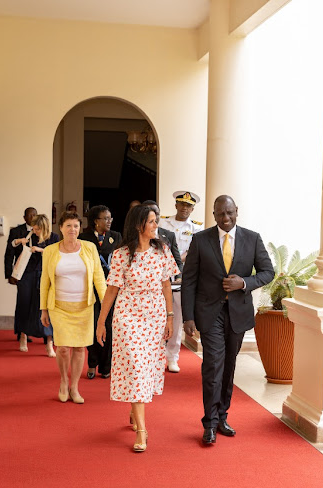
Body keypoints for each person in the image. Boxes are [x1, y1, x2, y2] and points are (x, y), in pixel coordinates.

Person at [181, 195, 274, 445]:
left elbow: (268, 272)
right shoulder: (200, 240)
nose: (226, 218)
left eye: (230, 213)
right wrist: (188, 317)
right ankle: (209, 423)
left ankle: (222, 417)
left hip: (238, 314)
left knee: (229, 366)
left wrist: (243, 283)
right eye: (220, 214)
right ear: (213, 215)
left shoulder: (252, 238)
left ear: (237, 211)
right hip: (209, 314)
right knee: (212, 364)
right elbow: (189, 280)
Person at [96, 205, 179, 452]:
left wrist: (170, 318)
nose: (156, 226)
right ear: (138, 225)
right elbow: (111, 290)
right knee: (133, 365)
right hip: (127, 315)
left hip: (154, 315)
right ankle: (142, 430)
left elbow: (167, 286)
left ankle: (135, 409)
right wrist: (101, 322)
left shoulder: (162, 251)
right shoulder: (121, 254)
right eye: (152, 222)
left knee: (146, 368)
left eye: (156, 221)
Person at [40, 212, 107, 404]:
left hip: (84, 307)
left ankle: (75, 387)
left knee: (79, 348)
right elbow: (45, 281)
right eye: (68, 226)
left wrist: (105, 303)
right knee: (62, 348)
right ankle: (63, 381)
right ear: (60, 228)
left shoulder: (89, 248)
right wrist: (43, 309)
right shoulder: (51, 251)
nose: (72, 230)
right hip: (59, 306)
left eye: (76, 226)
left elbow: (98, 277)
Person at [159, 191, 204, 373]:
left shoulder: (197, 228)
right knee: (158, 316)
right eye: (181, 204)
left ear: (192, 209)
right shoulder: (162, 222)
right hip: (160, 273)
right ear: (176, 205)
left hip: (180, 277)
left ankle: (172, 357)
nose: (184, 208)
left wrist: (178, 260)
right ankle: (156, 355)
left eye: (188, 206)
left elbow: (195, 251)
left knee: (176, 318)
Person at [78, 205, 122, 379]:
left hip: (111, 289)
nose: (109, 221)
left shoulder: (116, 237)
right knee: (94, 325)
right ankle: (92, 363)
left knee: (109, 327)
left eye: (110, 218)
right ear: (96, 221)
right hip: (91, 289)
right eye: (105, 218)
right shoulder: (84, 238)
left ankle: (106, 366)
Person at [12, 214, 59, 354]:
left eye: (37, 228)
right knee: (24, 304)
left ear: (44, 227)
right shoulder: (29, 236)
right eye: (34, 228)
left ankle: (49, 343)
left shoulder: (54, 237)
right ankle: (23, 336)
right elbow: (13, 245)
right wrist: (21, 243)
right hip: (27, 274)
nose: (35, 230)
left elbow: (57, 254)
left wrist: (40, 250)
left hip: (46, 274)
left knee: (46, 307)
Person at [5, 206, 38, 343]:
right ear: (24, 218)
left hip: (37, 271)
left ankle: (40, 332)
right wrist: (9, 274)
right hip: (22, 272)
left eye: (35, 215)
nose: (32, 217)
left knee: (37, 303)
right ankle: (21, 331)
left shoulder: (41, 231)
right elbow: (9, 253)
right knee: (23, 302)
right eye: (30, 215)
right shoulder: (16, 231)